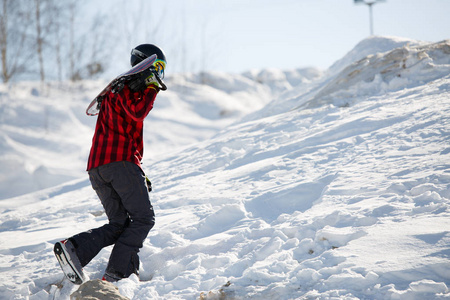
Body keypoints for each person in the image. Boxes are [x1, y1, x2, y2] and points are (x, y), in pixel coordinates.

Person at [54, 44, 167, 283]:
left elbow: (122, 125)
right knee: (144, 219)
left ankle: (73, 249)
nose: (159, 75)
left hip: (98, 167)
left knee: (119, 223)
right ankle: (118, 273)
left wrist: (137, 170)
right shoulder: (128, 87)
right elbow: (137, 113)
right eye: (159, 68)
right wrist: (152, 88)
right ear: (148, 64)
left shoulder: (115, 91)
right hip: (119, 163)